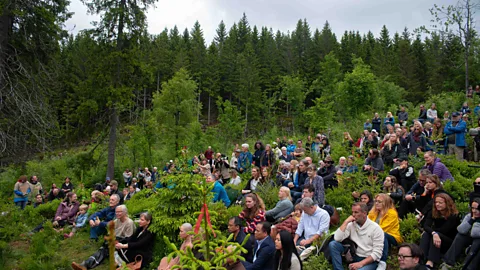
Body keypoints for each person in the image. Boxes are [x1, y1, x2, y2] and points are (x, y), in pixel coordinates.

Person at [72, 204, 135, 270]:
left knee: (104, 250)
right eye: (116, 212)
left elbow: (129, 239)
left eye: (120, 212)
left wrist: (117, 242)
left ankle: (85, 265)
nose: (117, 213)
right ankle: (84, 264)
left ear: (125, 212)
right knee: (102, 250)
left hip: (123, 244)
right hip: (115, 241)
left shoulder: (129, 223)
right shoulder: (117, 221)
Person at [329, 202, 384, 270]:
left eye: (356, 212)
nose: (353, 215)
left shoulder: (376, 228)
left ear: (364, 213)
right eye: (352, 212)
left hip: (368, 260)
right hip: (354, 255)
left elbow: (377, 253)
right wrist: (345, 222)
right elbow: (337, 238)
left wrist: (360, 264)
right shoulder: (351, 224)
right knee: (333, 244)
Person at [420, 193, 460, 269]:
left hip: (449, 241)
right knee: (426, 234)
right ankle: (421, 258)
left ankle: (431, 262)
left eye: (440, 203)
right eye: (436, 202)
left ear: (447, 203)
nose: (437, 204)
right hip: (437, 237)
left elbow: (444, 230)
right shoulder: (433, 212)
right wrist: (433, 232)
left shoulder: (454, 216)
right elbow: (426, 225)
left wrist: (432, 232)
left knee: (434, 234)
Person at [440, 198, 480, 270]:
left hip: (478, 241)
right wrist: (471, 220)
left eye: (477, 209)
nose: (474, 211)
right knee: (460, 236)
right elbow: (460, 229)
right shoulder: (470, 216)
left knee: (477, 241)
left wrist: (476, 223)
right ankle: (448, 262)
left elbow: (474, 233)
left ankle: (467, 267)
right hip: (469, 238)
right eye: (472, 208)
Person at [368, 194, 403, 269]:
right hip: (374, 234)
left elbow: (383, 228)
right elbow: (366, 223)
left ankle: (382, 262)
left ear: (386, 203)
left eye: (379, 202)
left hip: (392, 236)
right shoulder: (373, 212)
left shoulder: (392, 213)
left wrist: (368, 232)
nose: (376, 203)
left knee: (382, 234)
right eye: (376, 201)